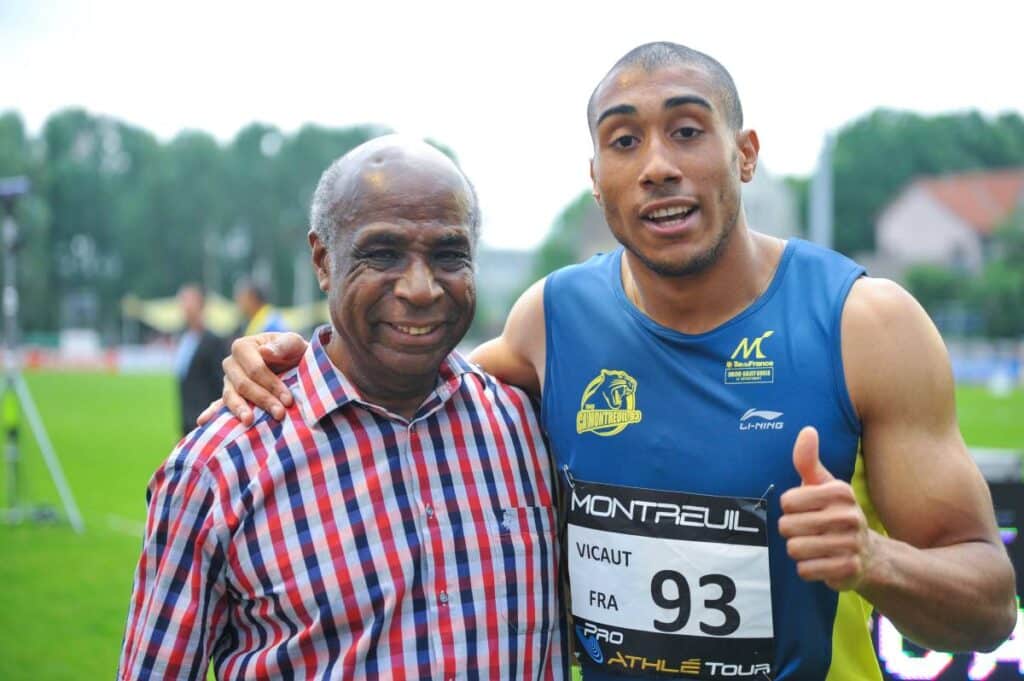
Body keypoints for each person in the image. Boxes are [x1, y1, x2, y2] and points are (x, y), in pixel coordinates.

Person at [209, 43, 1017, 680]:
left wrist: (875, 560)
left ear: (745, 153)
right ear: (598, 181)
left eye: (688, 129)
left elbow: (990, 605)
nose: (657, 162)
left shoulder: (864, 324)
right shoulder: (552, 322)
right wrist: (285, 357)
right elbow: (403, 388)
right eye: (624, 140)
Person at [119, 137, 565, 680]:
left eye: (449, 255)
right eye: (383, 254)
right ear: (323, 261)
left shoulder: (531, 431)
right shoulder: (218, 471)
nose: (421, 288)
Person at [173, 284, 227, 437]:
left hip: (206, 422)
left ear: (201, 305)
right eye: (182, 301)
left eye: (189, 301)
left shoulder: (213, 341)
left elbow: (221, 384)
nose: (185, 306)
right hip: (186, 421)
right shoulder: (184, 339)